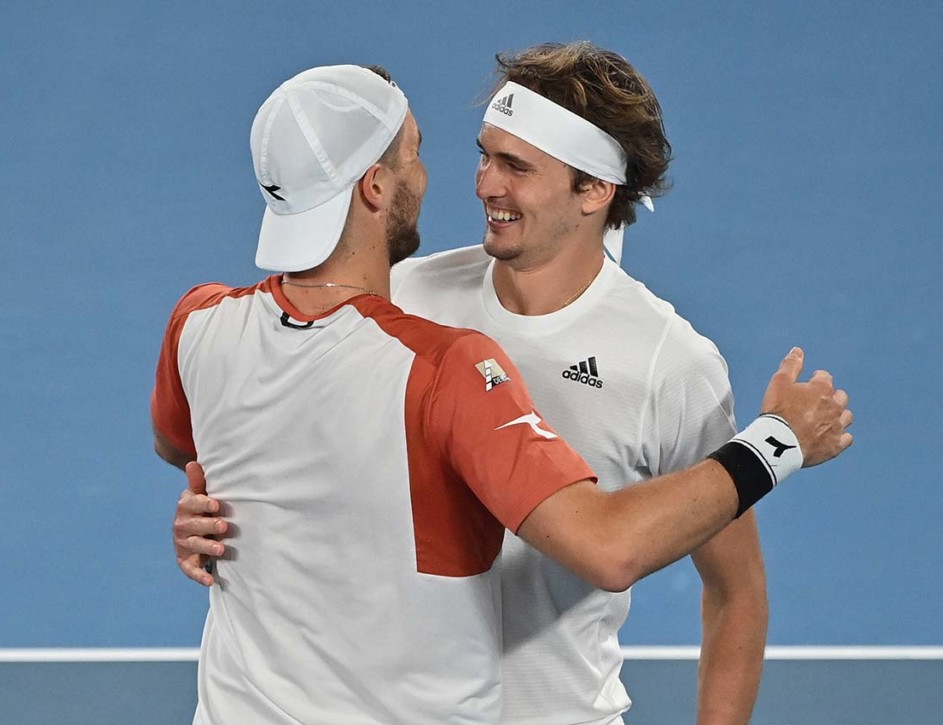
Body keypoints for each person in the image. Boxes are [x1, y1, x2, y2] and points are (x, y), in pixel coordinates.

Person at [156, 63, 852, 724]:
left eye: (516, 166)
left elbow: (736, 592)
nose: (485, 183)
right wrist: (229, 508)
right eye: (484, 154)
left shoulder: (672, 363)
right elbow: (292, 425)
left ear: (594, 190)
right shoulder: (408, 300)